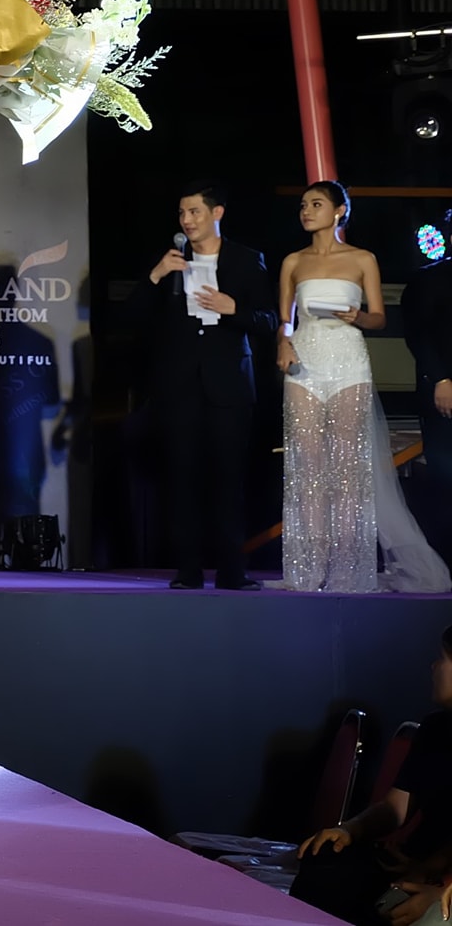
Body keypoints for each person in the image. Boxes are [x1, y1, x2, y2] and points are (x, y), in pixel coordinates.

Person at [277, 182, 448, 593]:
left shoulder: (362, 259)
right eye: (303, 205)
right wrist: (283, 343)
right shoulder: (293, 261)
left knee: (348, 468)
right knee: (307, 466)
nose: (306, 211)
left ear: (339, 211)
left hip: (348, 361)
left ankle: (347, 569)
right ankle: (308, 569)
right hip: (305, 360)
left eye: (316, 204)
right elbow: (285, 319)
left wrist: (358, 316)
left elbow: (379, 318)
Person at [131, 181, 278, 590]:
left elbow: (269, 320)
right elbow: (133, 316)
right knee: (182, 480)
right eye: (181, 213)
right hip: (179, 387)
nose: (186, 220)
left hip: (229, 386)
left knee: (229, 481)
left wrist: (235, 309)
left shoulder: (246, 260)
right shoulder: (170, 261)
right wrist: (157, 275)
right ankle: (188, 570)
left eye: (194, 211)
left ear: (217, 213)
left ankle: (232, 571)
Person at [294, 626, 452, 926]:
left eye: (442, 658)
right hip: (410, 860)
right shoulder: (434, 728)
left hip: (437, 873)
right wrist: (349, 830)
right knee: (325, 865)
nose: (434, 666)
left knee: (419, 911)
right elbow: (395, 807)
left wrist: (437, 876)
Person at [405, 208, 452, 563]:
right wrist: (440, 378)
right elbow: (418, 334)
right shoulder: (429, 278)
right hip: (443, 388)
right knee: (444, 477)